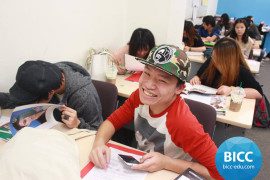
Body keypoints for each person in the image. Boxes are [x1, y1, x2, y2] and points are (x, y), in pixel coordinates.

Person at [89, 44, 222, 179]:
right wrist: (99, 143)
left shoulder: (182, 122)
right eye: (146, 73)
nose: (148, 85)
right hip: (143, 170)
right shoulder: (139, 97)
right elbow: (112, 122)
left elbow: (220, 173)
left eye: (162, 80)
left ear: (179, 88)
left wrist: (167, 163)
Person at [0, 60, 103, 130]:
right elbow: (18, 99)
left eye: (33, 102)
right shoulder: (44, 76)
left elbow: (97, 131)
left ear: (50, 94)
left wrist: (78, 124)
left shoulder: (84, 96)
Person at [190, 37, 262, 99]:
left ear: (228, 60)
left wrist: (232, 90)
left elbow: (258, 93)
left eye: (218, 58)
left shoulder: (241, 70)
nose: (214, 60)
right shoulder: (212, 60)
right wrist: (196, 78)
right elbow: (199, 75)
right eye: (213, 55)